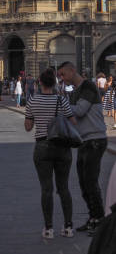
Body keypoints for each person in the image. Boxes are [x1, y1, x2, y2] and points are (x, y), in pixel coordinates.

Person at [24, 68, 76, 239]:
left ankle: (49, 228)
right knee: (64, 188)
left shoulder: (33, 100)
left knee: (46, 189)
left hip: (42, 146)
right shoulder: (62, 100)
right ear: (54, 83)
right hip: (62, 147)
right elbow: (72, 121)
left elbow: (28, 127)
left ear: (39, 83)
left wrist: (37, 119)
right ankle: (68, 227)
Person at [57, 62, 108, 235]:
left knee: (91, 182)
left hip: (96, 140)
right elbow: (71, 115)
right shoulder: (75, 91)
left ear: (73, 70)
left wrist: (60, 105)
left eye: (63, 74)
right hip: (84, 141)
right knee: (84, 182)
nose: (62, 78)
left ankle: (100, 221)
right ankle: (93, 217)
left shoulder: (88, 86)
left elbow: (79, 111)